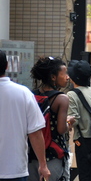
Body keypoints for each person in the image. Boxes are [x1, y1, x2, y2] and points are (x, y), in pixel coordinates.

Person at [0, 50, 51, 181]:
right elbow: (35, 132)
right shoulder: (23, 93)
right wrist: (43, 165)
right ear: (7, 65)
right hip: (14, 170)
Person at [28, 56, 70, 181]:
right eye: (64, 73)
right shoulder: (62, 99)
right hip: (53, 155)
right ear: (53, 77)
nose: (68, 77)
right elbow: (61, 129)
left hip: (31, 155)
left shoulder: (31, 95)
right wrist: (69, 122)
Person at [67, 60, 91, 181]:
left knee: (84, 175)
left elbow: (73, 120)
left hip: (82, 139)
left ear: (73, 78)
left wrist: (65, 121)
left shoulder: (72, 95)